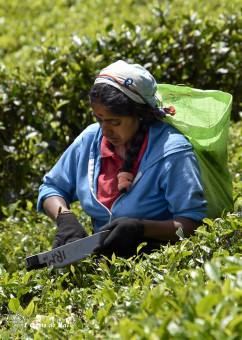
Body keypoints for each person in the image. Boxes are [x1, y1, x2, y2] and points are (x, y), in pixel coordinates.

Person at [37, 60, 207, 258]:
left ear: (140, 114)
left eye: (115, 122)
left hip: (158, 263)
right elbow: (52, 187)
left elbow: (192, 225)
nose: (105, 130)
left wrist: (140, 228)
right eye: (99, 119)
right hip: (104, 266)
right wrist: (65, 218)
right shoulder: (90, 140)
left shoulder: (172, 152)